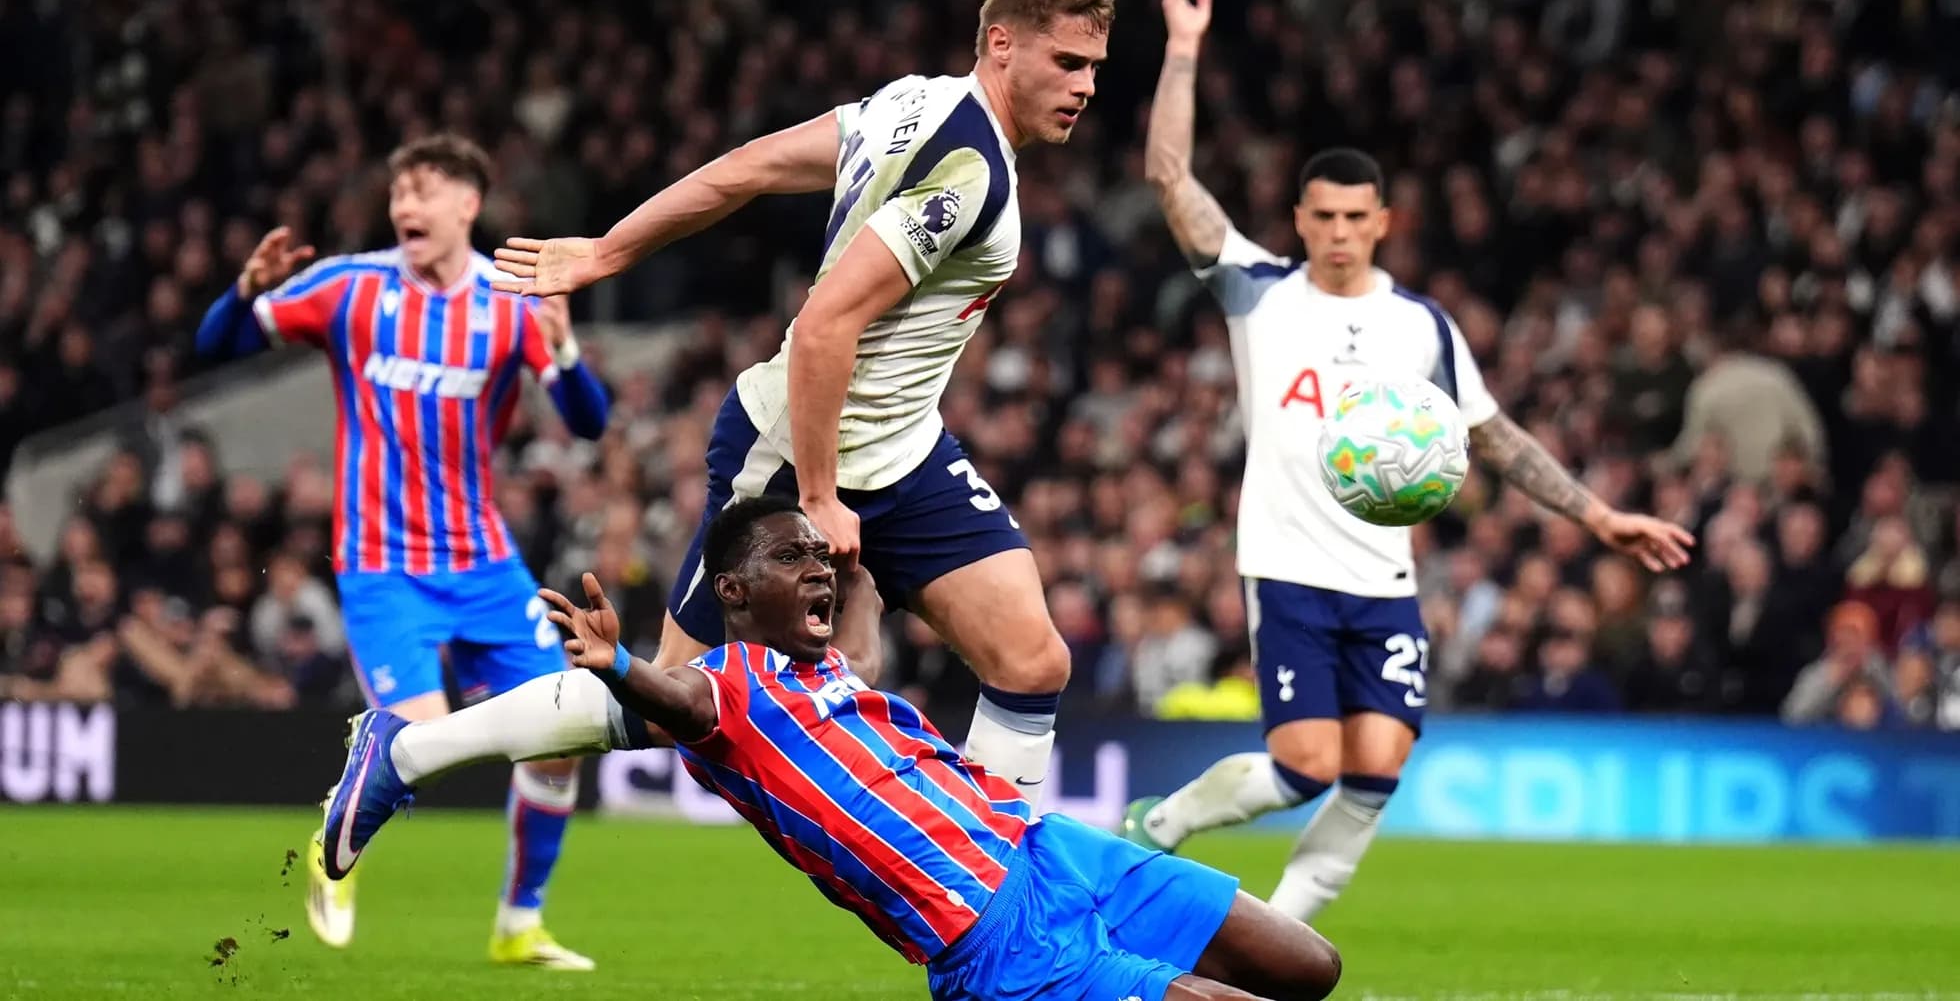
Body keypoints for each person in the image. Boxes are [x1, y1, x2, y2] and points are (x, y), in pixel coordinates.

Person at [1120, 0, 1696, 924]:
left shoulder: (1422, 326)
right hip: (1289, 569)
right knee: (1307, 765)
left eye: (1357, 217)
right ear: (1299, 220)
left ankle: (1276, 942)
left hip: (1385, 580)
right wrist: (1182, 47)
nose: (1340, 233)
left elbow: (1495, 437)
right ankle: (1167, 820)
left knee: (1378, 771)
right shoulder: (1258, 291)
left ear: (1383, 222)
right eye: (1324, 217)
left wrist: (1599, 515)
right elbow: (1170, 179)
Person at [479, 0, 1117, 802]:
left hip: (899, 451)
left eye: (1094, 67)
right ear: (1002, 44)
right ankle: (411, 749)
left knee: (1033, 660)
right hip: (794, 452)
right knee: (672, 703)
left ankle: (988, 891)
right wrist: (816, 496)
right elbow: (823, 327)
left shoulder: (908, 103)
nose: (1086, 86)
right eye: (1068, 62)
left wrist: (609, 251)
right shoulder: (970, 175)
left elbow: (748, 167)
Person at [316, 496, 1343, 1001]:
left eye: (817, 555)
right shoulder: (729, 687)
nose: (812, 566)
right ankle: (402, 753)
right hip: (997, 941)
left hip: (1056, 850)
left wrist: (853, 530)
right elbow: (673, 697)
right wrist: (616, 662)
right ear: (733, 592)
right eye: (786, 555)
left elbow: (852, 588)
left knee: (1310, 965)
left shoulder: (832, 669)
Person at [194, 134, 609, 968]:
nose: (404, 208)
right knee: (418, 744)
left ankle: (517, 923)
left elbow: (588, 420)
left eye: (423, 191)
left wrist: (563, 350)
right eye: (397, 194)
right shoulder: (350, 286)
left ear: (467, 204)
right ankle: (334, 850)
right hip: (384, 565)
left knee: (566, 732)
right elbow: (219, 347)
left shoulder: (511, 298)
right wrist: (243, 293)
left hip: (486, 563)